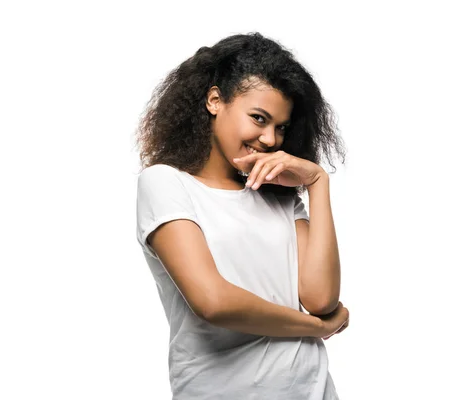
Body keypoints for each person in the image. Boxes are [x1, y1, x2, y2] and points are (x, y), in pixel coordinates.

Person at [134, 32, 350, 400]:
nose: (270, 139)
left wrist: (317, 183)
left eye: (280, 127)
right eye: (259, 118)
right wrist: (314, 327)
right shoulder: (166, 183)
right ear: (215, 100)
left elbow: (320, 298)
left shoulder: (279, 198)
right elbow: (213, 302)